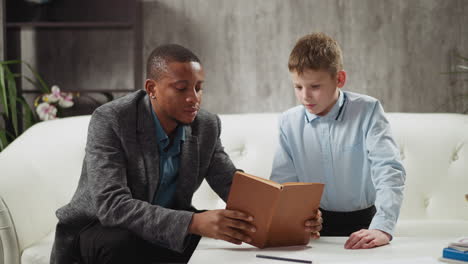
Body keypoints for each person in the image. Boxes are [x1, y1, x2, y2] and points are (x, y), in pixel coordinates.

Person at [50, 44, 322, 264]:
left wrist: (290, 218)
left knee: (225, 235)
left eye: (199, 87)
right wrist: (193, 221)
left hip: (162, 227)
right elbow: (112, 206)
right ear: (152, 89)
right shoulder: (111, 119)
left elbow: (234, 186)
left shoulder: (205, 125)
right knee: (123, 243)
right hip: (94, 230)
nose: (194, 97)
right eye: (182, 88)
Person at [270, 33, 406, 250]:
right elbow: (284, 183)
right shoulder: (289, 122)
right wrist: (294, 221)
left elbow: (388, 170)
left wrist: (383, 227)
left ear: (339, 79)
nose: (305, 96)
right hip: (312, 226)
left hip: (366, 225)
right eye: (298, 87)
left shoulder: (368, 110)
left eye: (315, 86)